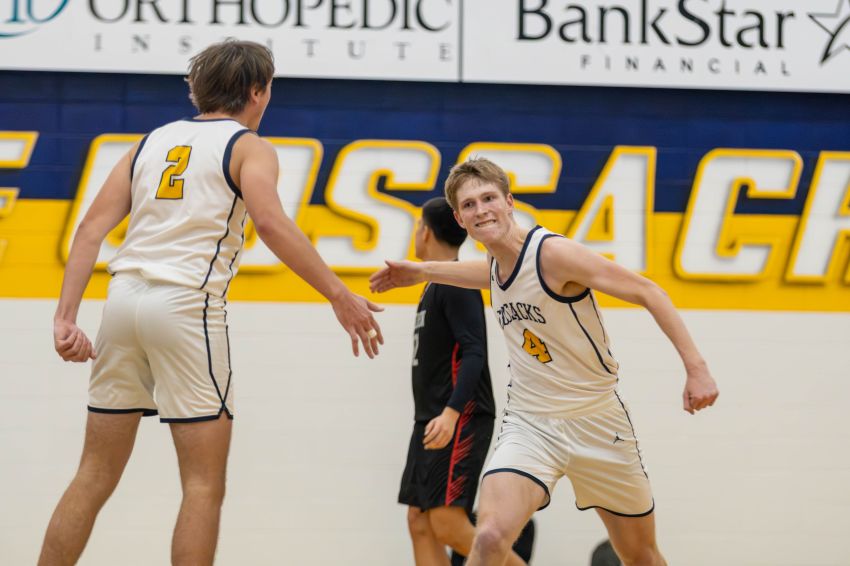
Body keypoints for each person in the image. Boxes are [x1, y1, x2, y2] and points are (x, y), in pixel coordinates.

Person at [40, 40, 383, 566]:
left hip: (122, 303)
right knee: (203, 486)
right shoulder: (249, 146)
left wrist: (65, 318)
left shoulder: (149, 143)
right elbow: (269, 223)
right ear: (256, 91)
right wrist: (339, 295)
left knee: (93, 474)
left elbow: (89, 231)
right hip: (185, 307)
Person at [370, 157, 719, 566]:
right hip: (531, 422)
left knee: (640, 554)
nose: (481, 209)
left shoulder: (553, 254)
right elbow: (484, 274)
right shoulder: (498, 266)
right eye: (469, 205)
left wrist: (696, 369)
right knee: (491, 536)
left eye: (489, 198)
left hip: (597, 419)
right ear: (461, 220)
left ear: (509, 202)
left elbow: (648, 291)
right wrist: (421, 271)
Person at [400, 197, 531, 565]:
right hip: (430, 419)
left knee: (447, 523)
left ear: (424, 232)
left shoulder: (455, 283)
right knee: (420, 520)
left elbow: (475, 352)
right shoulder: (433, 283)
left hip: (458, 417)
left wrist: (453, 412)